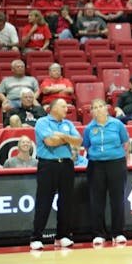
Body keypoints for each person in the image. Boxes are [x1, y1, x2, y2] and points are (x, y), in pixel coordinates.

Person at [30, 99, 82, 250]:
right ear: (53, 108)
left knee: (66, 202)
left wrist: (62, 136)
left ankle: (62, 236)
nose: (67, 108)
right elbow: (50, 142)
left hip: (66, 164)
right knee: (44, 202)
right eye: (63, 106)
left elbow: (78, 141)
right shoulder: (42, 122)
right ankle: (36, 237)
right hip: (48, 165)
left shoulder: (68, 123)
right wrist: (67, 138)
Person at [82, 98, 130, 245]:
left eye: (100, 106)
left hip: (116, 164)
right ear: (91, 112)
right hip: (96, 165)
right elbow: (87, 147)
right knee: (97, 200)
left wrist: (122, 160)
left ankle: (118, 232)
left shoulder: (117, 124)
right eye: (94, 107)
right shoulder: (89, 128)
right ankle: (99, 233)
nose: (98, 109)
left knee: (117, 199)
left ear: (107, 108)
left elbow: (126, 144)